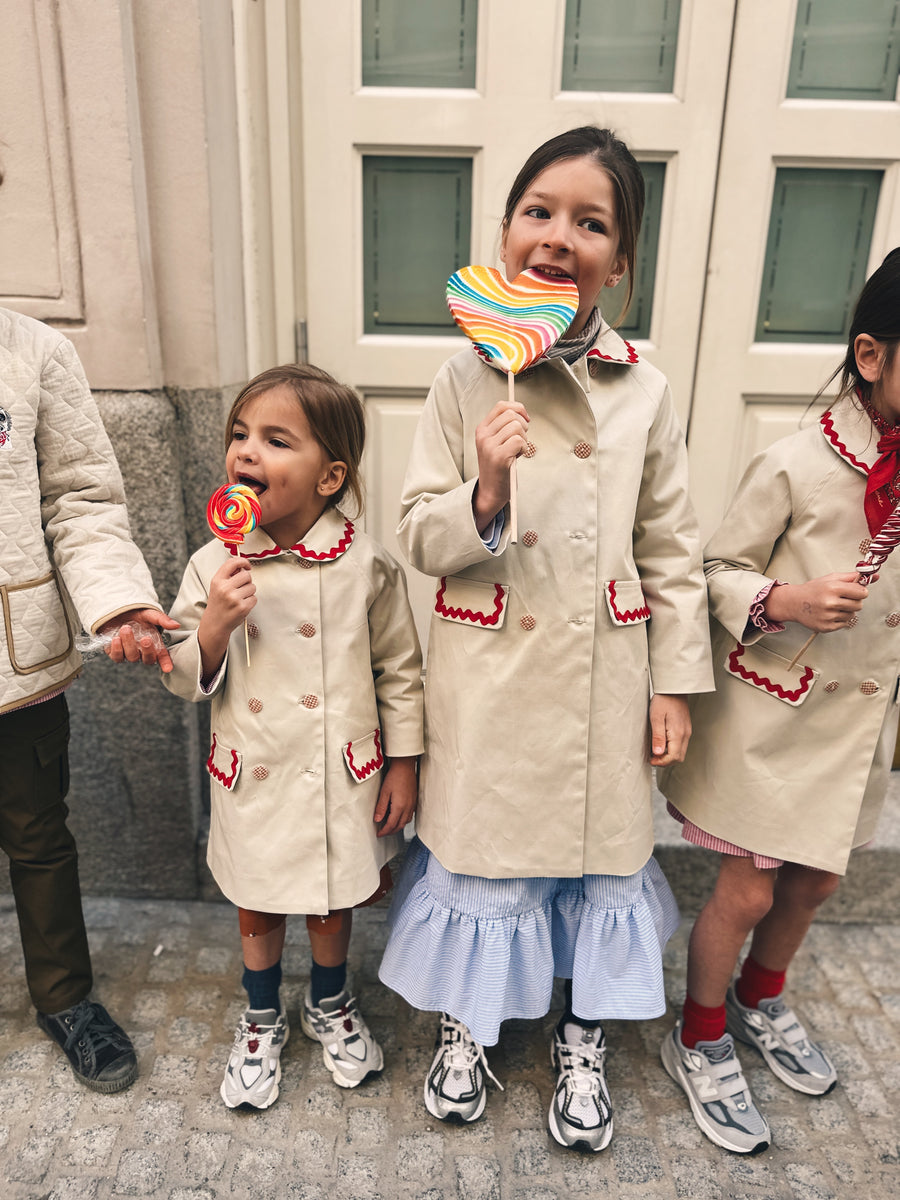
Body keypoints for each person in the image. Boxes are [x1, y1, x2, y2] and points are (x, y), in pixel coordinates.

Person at [377, 127, 714, 1152]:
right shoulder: (459, 381)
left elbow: (670, 544)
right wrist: (483, 486)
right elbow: (414, 536)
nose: (559, 236)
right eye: (539, 212)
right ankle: (468, 1022)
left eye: (591, 222)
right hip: (492, 675)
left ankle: (582, 1030)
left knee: (596, 865)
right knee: (489, 863)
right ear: (506, 231)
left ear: (623, 260)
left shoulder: (643, 392)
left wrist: (676, 684)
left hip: (606, 679)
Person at [657, 248, 900, 1154]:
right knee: (751, 889)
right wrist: (788, 600)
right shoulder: (796, 463)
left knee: (820, 880)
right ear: (871, 357)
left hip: (857, 728)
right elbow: (712, 570)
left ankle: (764, 999)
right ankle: (703, 1032)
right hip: (777, 717)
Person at [163, 364, 424, 1110]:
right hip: (256, 773)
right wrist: (212, 627)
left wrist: (403, 764)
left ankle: (331, 999)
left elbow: (399, 670)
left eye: (277, 440)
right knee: (259, 894)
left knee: (332, 894)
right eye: (240, 435)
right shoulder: (212, 564)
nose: (248, 452)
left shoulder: (364, 563)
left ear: (328, 475)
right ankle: (260, 1012)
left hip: (342, 774)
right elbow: (181, 673)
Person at [0, 305, 178, 1093]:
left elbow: (81, 500)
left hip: (16, 666)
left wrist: (116, 603)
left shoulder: (36, 351)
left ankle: (66, 999)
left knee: (38, 836)